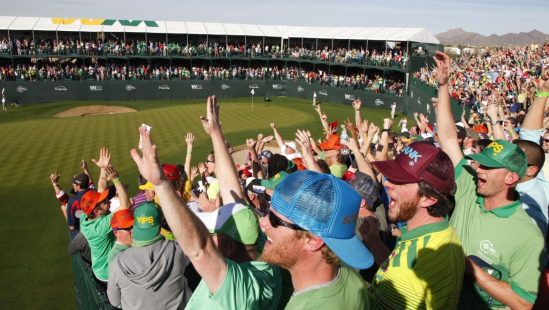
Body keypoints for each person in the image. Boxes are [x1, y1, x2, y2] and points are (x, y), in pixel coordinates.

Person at [130, 96, 285, 309]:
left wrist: (160, 184)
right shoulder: (258, 250)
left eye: (215, 233)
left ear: (230, 246)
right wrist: (216, 135)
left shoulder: (240, 288)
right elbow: (235, 198)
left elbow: (199, 248)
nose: (211, 237)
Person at [434, 51, 544, 309]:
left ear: (511, 177)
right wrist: (443, 85)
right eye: (481, 162)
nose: (478, 169)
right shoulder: (470, 184)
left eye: (488, 167)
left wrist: (470, 269)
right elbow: (449, 140)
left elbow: (523, 302)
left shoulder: (528, 236)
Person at [359, 141, 464, 308]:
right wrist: (375, 243)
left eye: (400, 181)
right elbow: (395, 265)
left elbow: (401, 272)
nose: (386, 183)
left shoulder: (406, 276)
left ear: (429, 199)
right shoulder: (444, 234)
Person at [260, 169, 373, 309]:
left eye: (274, 219)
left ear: (313, 240)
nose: (263, 223)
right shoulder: (350, 276)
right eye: (267, 212)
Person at [107, 202, 193, 309]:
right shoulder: (177, 250)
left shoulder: (117, 263)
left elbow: (114, 301)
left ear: (135, 226)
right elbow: (195, 241)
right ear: (161, 225)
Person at [80, 150, 130, 285]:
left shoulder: (85, 218)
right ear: (97, 211)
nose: (108, 201)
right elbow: (126, 206)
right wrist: (116, 179)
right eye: (104, 202)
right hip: (109, 275)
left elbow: (101, 189)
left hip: (99, 270)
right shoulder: (100, 227)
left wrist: (103, 168)